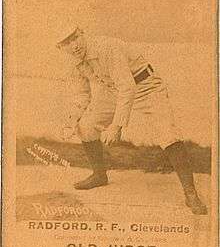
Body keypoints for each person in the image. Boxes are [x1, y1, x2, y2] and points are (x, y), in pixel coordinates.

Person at [56, 25, 207, 215]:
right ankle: (99, 175)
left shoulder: (106, 47)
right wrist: (69, 122)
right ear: (60, 48)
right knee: (86, 126)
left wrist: (116, 126)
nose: (73, 45)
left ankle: (190, 193)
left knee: (168, 135)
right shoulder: (73, 62)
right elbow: (82, 96)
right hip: (113, 90)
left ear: (82, 33)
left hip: (146, 86)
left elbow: (128, 87)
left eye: (74, 38)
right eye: (66, 43)